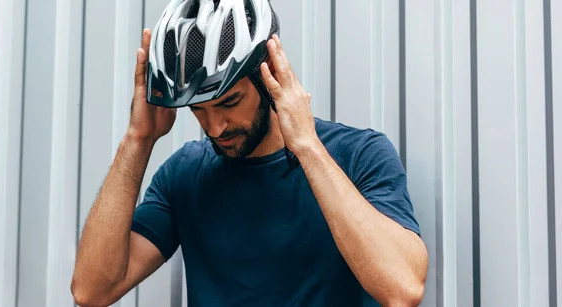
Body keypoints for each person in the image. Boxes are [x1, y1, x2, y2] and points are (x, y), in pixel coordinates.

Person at [71, 0, 429, 306]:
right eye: (199, 109)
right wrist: (138, 139)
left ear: (269, 72)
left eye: (230, 102)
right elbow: (91, 291)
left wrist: (305, 145)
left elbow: (402, 288)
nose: (214, 127)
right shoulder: (184, 174)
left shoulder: (359, 155)